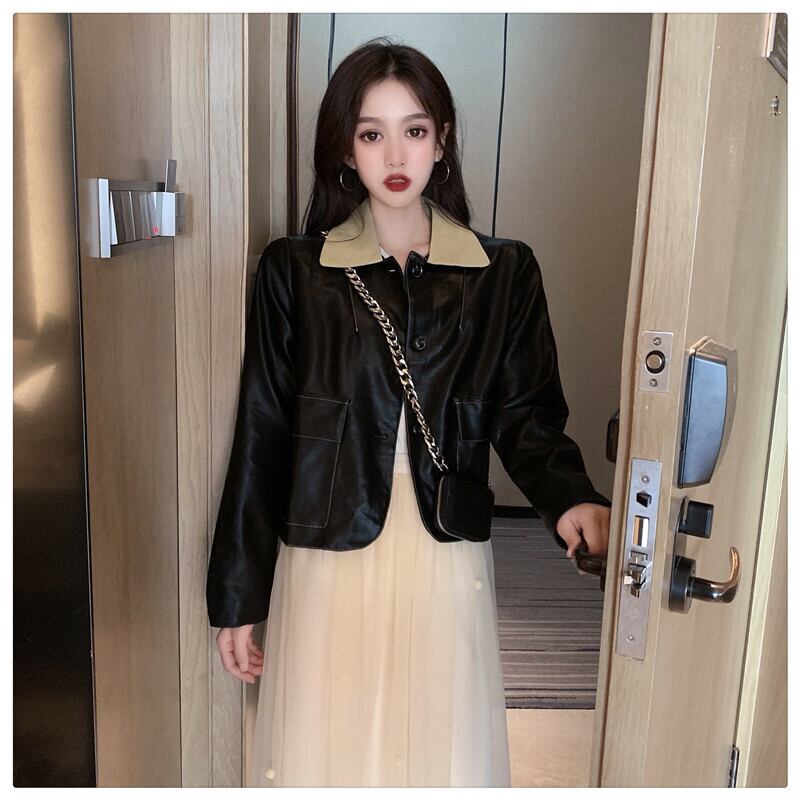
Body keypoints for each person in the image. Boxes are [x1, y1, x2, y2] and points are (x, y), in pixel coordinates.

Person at [206, 38, 612, 788]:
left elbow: (525, 413)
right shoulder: (295, 271)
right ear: (345, 148)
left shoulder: (503, 271)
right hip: (326, 546)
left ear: (442, 140)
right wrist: (238, 594)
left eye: (415, 130)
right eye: (372, 133)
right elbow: (263, 432)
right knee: (332, 744)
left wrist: (571, 497)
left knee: (437, 741)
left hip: (443, 543)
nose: (396, 154)